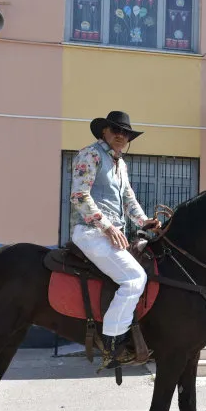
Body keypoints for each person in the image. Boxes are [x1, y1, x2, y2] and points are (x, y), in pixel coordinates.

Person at [69, 110, 161, 356]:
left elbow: (128, 198)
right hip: (91, 232)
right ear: (104, 132)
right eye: (116, 130)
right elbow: (79, 195)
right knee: (134, 279)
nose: (122, 136)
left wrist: (145, 222)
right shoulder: (90, 155)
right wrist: (107, 227)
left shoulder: (121, 164)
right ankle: (112, 341)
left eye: (126, 133)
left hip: (111, 233)